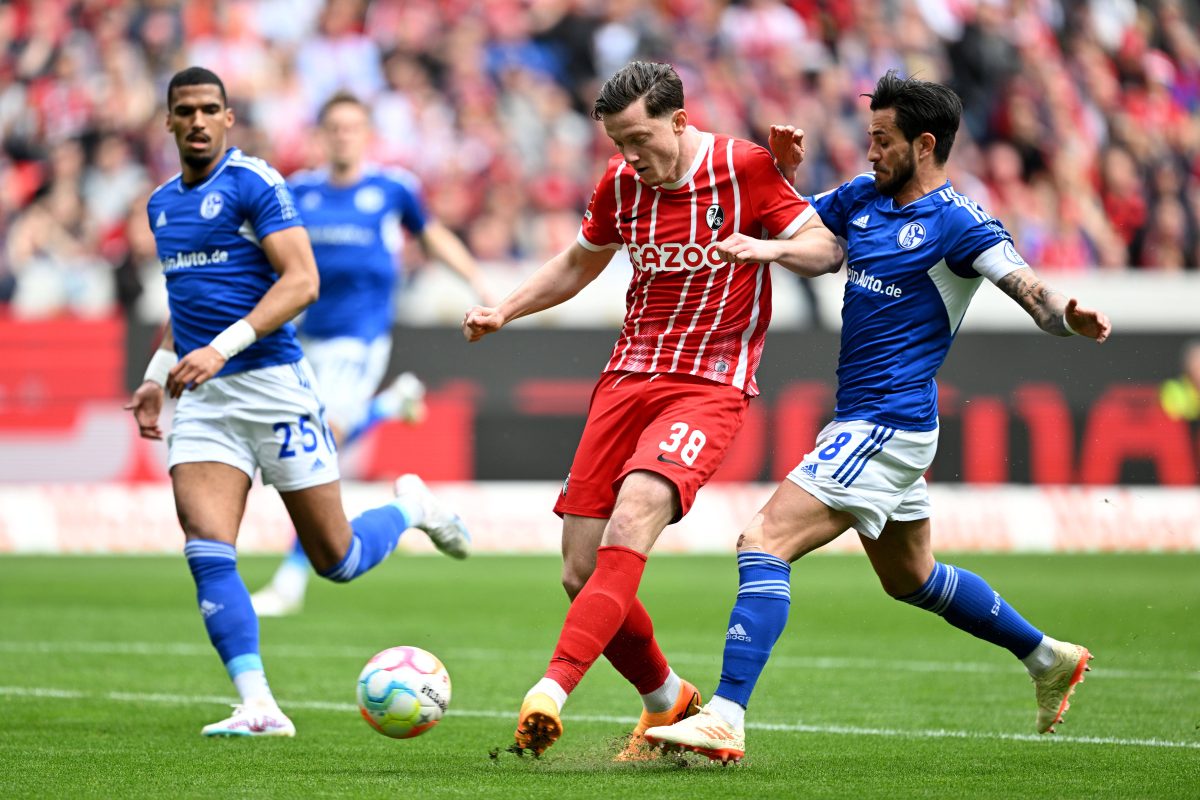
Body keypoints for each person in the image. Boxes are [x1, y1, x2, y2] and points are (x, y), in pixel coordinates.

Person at [644, 71, 1112, 763]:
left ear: (925, 145)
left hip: (887, 422)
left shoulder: (961, 222)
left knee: (763, 540)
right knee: (911, 577)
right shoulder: (864, 195)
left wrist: (1066, 317)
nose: (870, 151)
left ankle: (725, 715)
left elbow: (1032, 294)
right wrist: (782, 178)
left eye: (883, 140)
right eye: (870, 137)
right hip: (873, 419)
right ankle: (1047, 657)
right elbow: (798, 230)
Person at [461, 61, 844, 759]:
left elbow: (826, 250)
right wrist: (504, 310)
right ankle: (668, 699)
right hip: (626, 378)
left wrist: (767, 247)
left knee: (635, 513)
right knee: (580, 571)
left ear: (679, 121)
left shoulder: (745, 167)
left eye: (639, 139)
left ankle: (552, 688)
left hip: (708, 384)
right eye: (618, 143)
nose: (630, 156)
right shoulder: (620, 184)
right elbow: (579, 262)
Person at [125, 66, 471, 738]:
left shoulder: (255, 183)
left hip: (275, 388)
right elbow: (184, 306)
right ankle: (258, 705)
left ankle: (412, 508)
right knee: (206, 547)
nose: (197, 121)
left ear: (228, 118)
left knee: (337, 558)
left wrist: (220, 348)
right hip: (205, 403)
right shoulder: (162, 205)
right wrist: (154, 374)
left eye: (209, 109)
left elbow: (303, 281)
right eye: (185, 111)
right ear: (167, 121)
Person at [250, 91, 489, 618]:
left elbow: (432, 235)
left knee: (322, 444)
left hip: (360, 339)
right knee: (299, 447)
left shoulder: (392, 188)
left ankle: (290, 580)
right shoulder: (299, 191)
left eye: (352, 127)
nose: (343, 136)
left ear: (367, 135)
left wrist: (475, 278)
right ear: (321, 135)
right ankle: (391, 404)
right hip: (303, 338)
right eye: (334, 127)